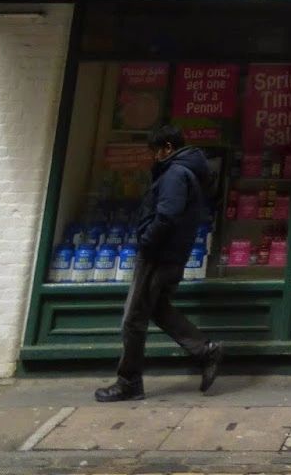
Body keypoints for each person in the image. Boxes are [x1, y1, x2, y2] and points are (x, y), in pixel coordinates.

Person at [94, 125, 222, 402]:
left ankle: (129, 382)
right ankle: (205, 350)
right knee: (157, 308)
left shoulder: (175, 173)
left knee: (133, 319)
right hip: (172, 254)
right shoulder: (187, 172)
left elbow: (167, 215)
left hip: (158, 255)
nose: (153, 157)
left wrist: (147, 241)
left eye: (155, 151)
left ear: (167, 148)